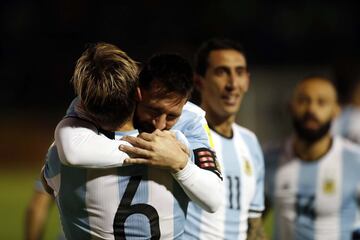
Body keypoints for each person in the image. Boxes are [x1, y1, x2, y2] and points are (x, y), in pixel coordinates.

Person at [42, 43, 222, 240]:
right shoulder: (179, 142)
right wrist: (166, 155)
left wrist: (181, 166)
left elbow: (214, 199)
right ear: (137, 94)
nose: (160, 125)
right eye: (153, 111)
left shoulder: (192, 119)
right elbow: (72, 152)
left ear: (185, 103)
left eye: (171, 116)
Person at [184, 38, 266, 240]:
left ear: (247, 81)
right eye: (222, 72)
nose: (232, 84)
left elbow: (254, 225)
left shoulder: (250, 143)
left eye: (239, 72)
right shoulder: (182, 132)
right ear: (198, 81)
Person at [264, 76, 360, 240]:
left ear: (336, 110)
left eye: (321, 102)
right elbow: (252, 219)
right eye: (303, 101)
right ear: (291, 106)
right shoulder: (269, 158)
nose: (311, 109)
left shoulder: (355, 160)